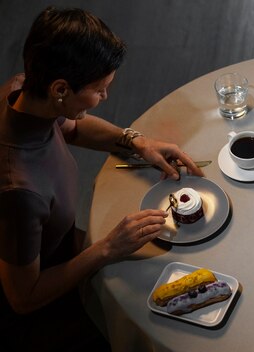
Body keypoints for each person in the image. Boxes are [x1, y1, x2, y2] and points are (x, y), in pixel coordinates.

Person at [0, 7, 204, 351]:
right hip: (49, 303)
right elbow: (23, 297)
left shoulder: (22, 91)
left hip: (66, 246)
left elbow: (73, 127)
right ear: (60, 88)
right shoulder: (19, 190)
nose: (105, 98)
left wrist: (137, 141)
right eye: (100, 89)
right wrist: (107, 247)